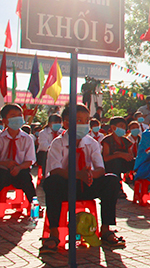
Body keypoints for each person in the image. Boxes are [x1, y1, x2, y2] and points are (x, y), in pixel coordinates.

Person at [40, 104, 124, 253]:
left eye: (86, 120)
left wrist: (90, 175)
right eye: (78, 120)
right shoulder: (57, 143)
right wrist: (77, 175)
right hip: (65, 186)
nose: (83, 124)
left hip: (87, 184)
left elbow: (100, 169)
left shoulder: (91, 143)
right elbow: (55, 170)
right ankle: (54, 233)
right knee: (51, 183)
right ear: (66, 123)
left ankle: (105, 229)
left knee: (111, 180)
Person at [0, 104, 37, 219]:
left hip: (20, 171)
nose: (17, 118)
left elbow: (30, 161)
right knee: (0, 177)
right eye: (13, 116)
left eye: (19, 115)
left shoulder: (27, 138)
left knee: (26, 178)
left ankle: (34, 203)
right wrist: (5, 163)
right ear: (4, 120)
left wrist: (19, 167)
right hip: (3, 171)